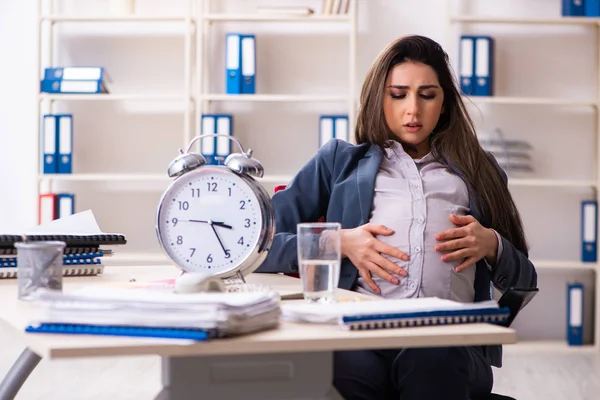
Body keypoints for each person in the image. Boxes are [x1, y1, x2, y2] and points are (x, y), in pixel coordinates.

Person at [257, 34, 537, 400]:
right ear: (380, 97)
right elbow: (255, 247)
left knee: (433, 361)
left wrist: (493, 245)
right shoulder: (339, 162)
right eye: (398, 93)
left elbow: (525, 281)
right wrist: (338, 242)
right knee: (332, 371)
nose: (413, 110)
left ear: (445, 103)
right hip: (359, 337)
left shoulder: (479, 170)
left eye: (427, 94)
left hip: (448, 342)